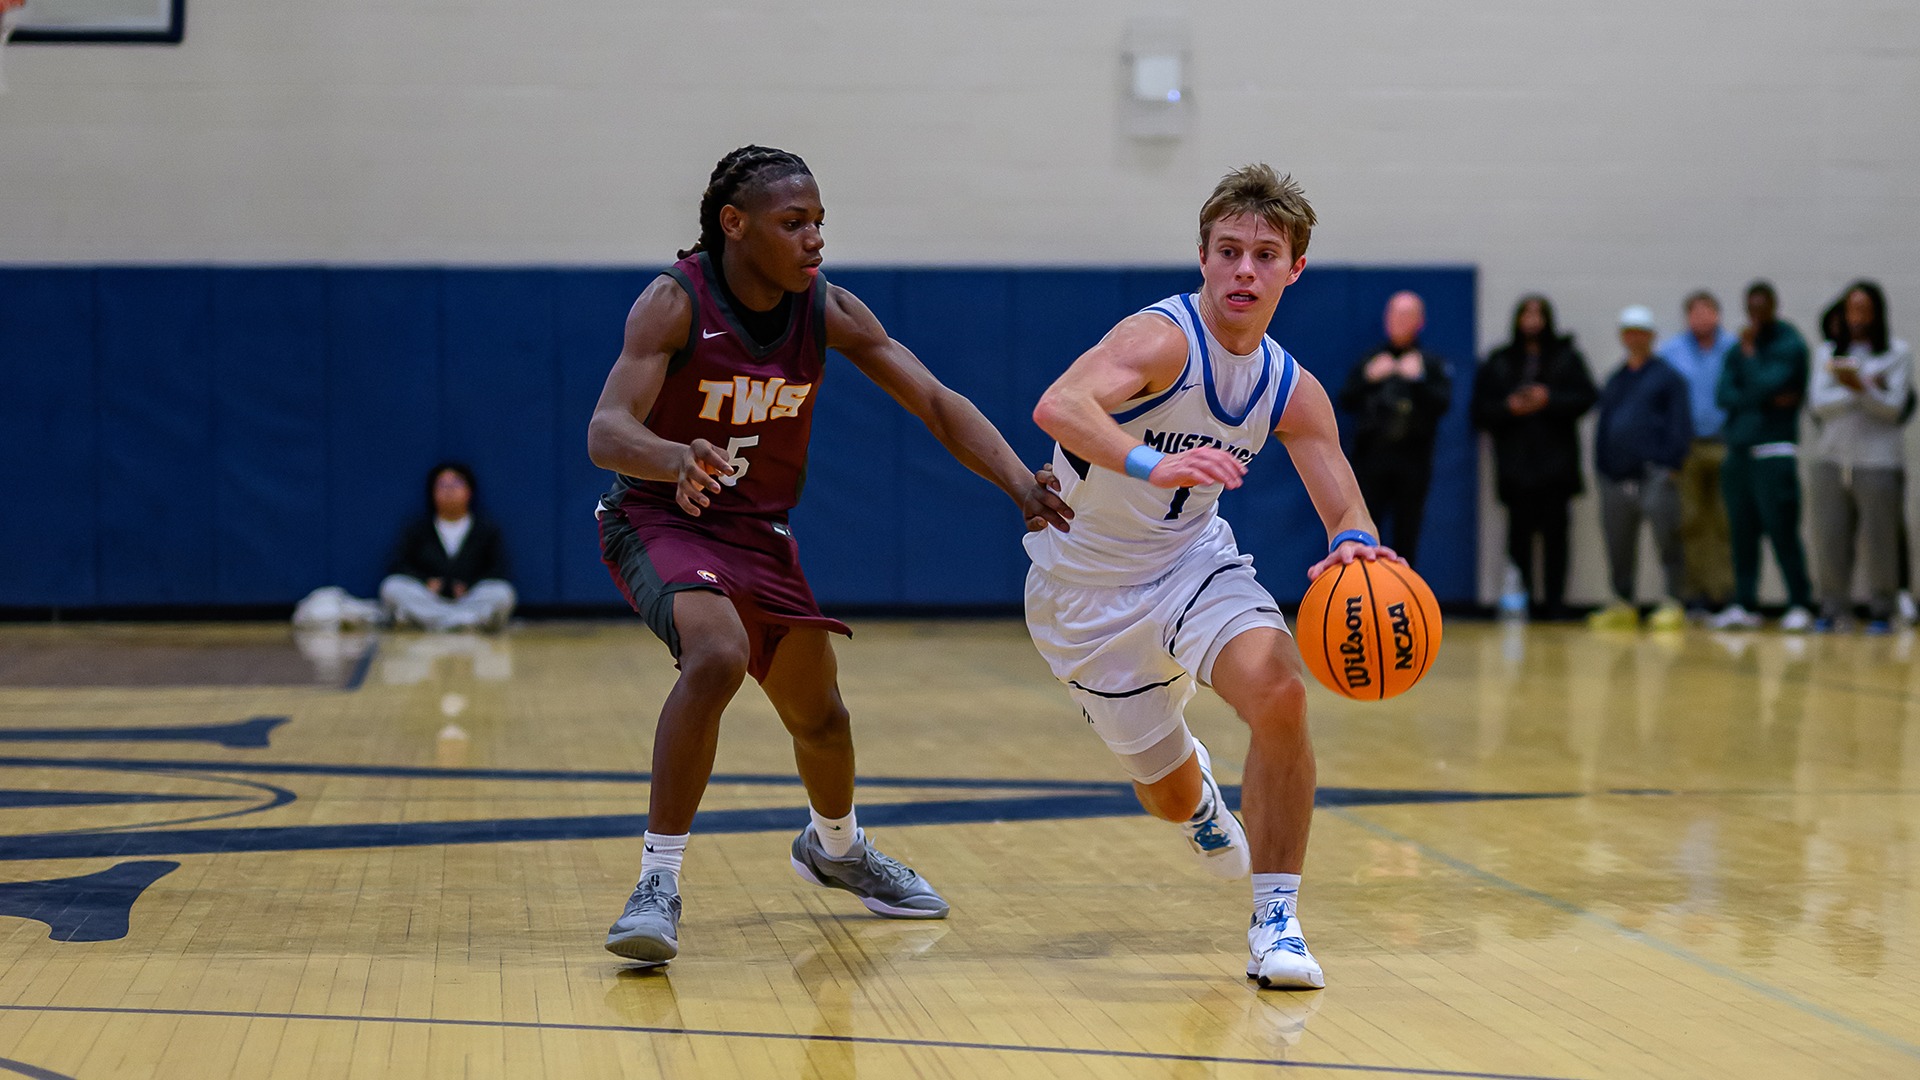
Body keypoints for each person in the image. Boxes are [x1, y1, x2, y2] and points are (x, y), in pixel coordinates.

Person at [586, 145, 1070, 967]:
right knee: (717, 655)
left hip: (759, 531)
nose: (814, 240)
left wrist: (1021, 484)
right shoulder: (673, 303)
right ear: (733, 226)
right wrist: (674, 458)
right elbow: (606, 432)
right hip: (661, 517)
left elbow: (935, 401)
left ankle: (835, 847)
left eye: (819, 223)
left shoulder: (827, 309)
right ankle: (657, 883)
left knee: (823, 717)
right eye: (793, 223)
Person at [1024, 164, 1397, 991]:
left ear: (1294, 269)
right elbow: (1059, 405)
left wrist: (1358, 546)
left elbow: (1345, 506)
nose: (1244, 270)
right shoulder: (1160, 339)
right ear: (1202, 255)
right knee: (1163, 792)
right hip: (1085, 594)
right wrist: (1151, 462)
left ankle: (1277, 920)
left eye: (1266, 255)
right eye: (1229, 250)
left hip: (1194, 564)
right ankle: (1197, 806)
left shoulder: (1289, 388)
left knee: (1280, 690)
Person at [1470, 295, 1598, 620]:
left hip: (1557, 467)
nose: (1532, 320)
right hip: (1516, 468)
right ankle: (1523, 599)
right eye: (1526, 313)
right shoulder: (1500, 361)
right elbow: (1479, 411)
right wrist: (1509, 408)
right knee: (1519, 539)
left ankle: (1556, 602)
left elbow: (1587, 397)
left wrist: (1549, 399)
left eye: (1538, 313)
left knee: (1557, 539)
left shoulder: (1566, 358)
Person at [1710, 281, 1816, 632]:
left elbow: (1769, 384)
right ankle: (1744, 602)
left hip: (1774, 450)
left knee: (1782, 529)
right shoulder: (1736, 348)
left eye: (1762, 307)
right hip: (1738, 451)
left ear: (1773, 306)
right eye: (1750, 308)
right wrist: (1762, 395)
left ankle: (1799, 602)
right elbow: (1723, 394)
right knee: (1741, 531)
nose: (1755, 314)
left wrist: (1753, 363)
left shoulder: (1789, 343)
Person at [1808, 281, 1911, 633]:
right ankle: (1833, 605)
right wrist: (1863, 388)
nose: (1858, 316)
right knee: (1831, 536)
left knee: (1881, 538)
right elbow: (1820, 405)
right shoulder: (1827, 353)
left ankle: (1883, 607)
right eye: (1852, 308)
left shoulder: (1896, 353)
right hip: (1833, 459)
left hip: (1878, 461)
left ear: (1877, 312)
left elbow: (1894, 408)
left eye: (1865, 308)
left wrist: (1858, 389)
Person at [1588, 306, 1693, 632]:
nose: (1634, 338)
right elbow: (1605, 424)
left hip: (1654, 473)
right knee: (1617, 541)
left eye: (1640, 332)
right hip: (1616, 475)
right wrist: (1603, 465)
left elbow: (1680, 423)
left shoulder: (1667, 377)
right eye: (1628, 332)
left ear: (1650, 337)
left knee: (1667, 537)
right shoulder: (1616, 379)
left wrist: (1671, 463)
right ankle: (1623, 601)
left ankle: (1673, 601)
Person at [1335, 291, 1452, 565]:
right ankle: (1361, 595)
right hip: (1372, 460)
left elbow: (1443, 404)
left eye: (1406, 315)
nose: (1398, 321)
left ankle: (1404, 599)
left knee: (1407, 534)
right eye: (1393, 315)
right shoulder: (1372, 360)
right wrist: (1369, 378)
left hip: (1413, 461)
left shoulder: (1429, 363)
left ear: (1419, 322)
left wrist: (1419, 380)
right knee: (1363, 531)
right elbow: (1346, 399)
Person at [1656, 291, 1739, 616]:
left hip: (1724, 442)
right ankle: (1695, 594)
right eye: (1695, 312)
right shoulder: (1671, 352)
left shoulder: (1733, 349)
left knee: (1724, 521)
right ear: (1687, 317)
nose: (1702, 318)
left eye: (1708, 311)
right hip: (1687, 446)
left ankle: (1726, 593)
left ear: (1717, 316)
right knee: (1690, 521)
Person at [379, 462, 516, 632]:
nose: (449, 490)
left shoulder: (486, 529)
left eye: (456, 484)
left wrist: (470, 585)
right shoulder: (418, 529)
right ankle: (458, 623)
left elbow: (498, 568)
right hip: (429, 599)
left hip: (470, 600)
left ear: (469, 491)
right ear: (432, 492)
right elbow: (398, 564)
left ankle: (443, 623)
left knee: (502, 593)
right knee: (392, 587)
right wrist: (425, 581)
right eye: (442, 485)